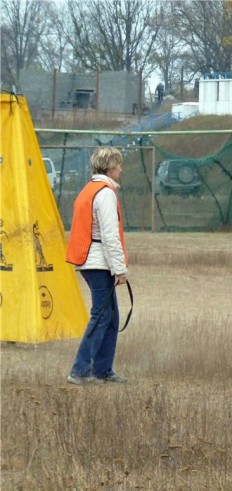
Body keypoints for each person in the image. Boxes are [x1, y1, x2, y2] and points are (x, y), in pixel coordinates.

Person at [65, 147, 129, 385]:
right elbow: (110, 236)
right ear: (110, 167)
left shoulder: (89, 190)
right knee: (102, 316)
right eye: (119, 165)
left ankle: (102, 369)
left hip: (90, 261)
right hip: (98, 262)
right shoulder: (106, 193)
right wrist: (120, 269)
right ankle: (80, 370)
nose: (121, 169)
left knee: (110, 316)